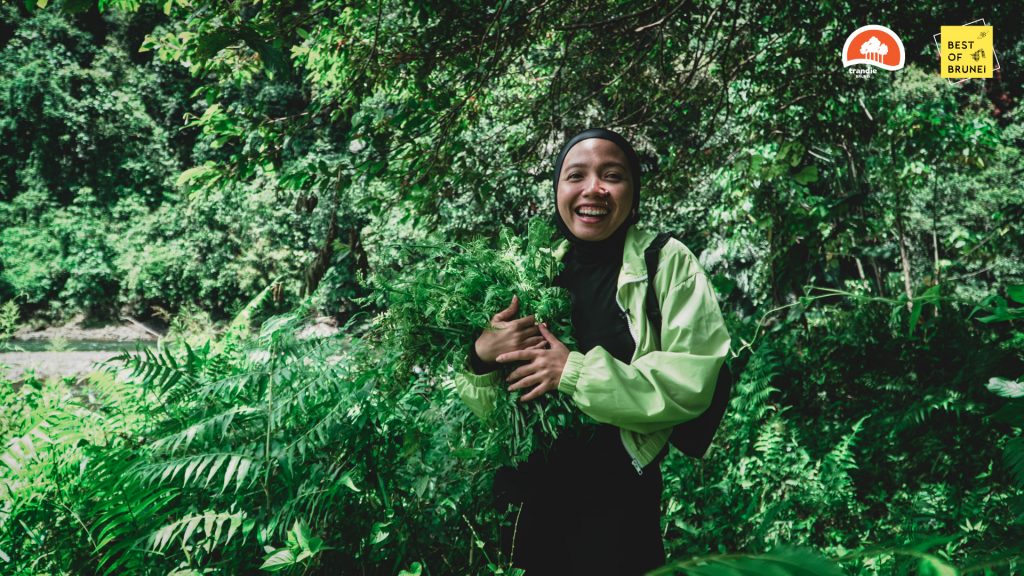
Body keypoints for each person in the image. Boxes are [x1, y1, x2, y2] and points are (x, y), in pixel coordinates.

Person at [455, 128, 731, 575]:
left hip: (618, 506)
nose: (593, 189)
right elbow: (494, 413)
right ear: (557, 190)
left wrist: (573, 371)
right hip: (526, 501)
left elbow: (692, 381)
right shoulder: (530, 270)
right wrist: (481, 358)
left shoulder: (666, 261)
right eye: (576, 175)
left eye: (612, 176)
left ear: (633, 192)